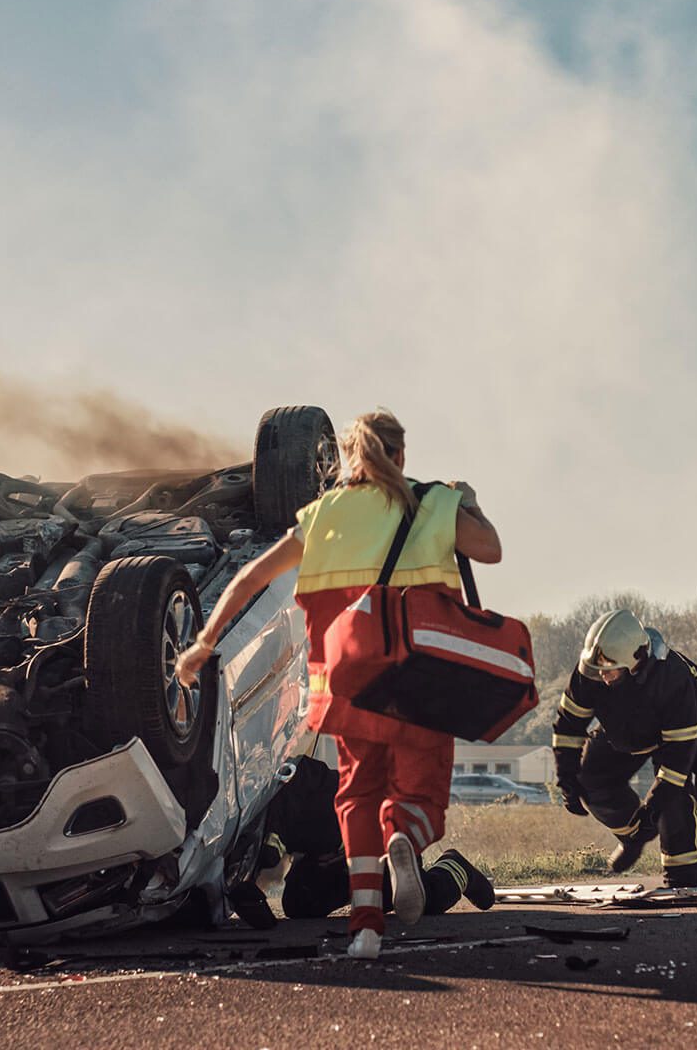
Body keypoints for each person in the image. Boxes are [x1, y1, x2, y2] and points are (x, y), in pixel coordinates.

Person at [173, 409, 502, 960]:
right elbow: (489, 548)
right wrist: (467, 502)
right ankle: (404, 837)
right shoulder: (434, 502)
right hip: (420, 678)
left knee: (360, 801)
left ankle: (389, 914)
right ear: (400, 456)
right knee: (410, 798)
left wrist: (203, 642)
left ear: (348, 459)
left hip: (350, 682)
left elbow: (251, 576)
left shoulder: (324, 515)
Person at [550, 608, 697, 892]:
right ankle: (634, 837)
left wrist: (653, 807)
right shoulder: (591, 673)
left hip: (675, 733)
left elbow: (676, 761)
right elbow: (568, 727)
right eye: (597, 669)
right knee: (587, 774)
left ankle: (682, 877)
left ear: (636, 661)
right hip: (624, 730)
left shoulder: (672, 679)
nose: (602, 677)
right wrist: (566, 778)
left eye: (610, 670)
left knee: (673, 798)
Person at [236, 756, 496, 925]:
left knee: (423, 901)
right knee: (299, 906)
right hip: (331, 858)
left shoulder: (293, 785)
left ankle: (456, 868)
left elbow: (301, 770)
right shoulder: (250, 829)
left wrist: (275, 839)